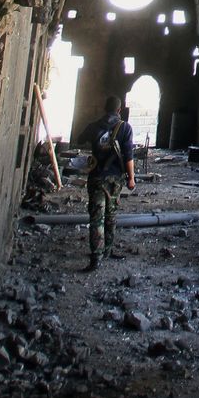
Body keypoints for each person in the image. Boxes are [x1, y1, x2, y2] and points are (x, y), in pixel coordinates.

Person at [77, 93, 135, 271]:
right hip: (115, 179)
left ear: (104, 109)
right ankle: (108, 249)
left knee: (97, 217)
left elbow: (79, 140)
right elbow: (128, 156)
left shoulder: (94, 126)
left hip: (96, 177)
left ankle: (96, 257)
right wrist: (131, 178)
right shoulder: (125, 128)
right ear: (119, 110)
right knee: (111, 214)